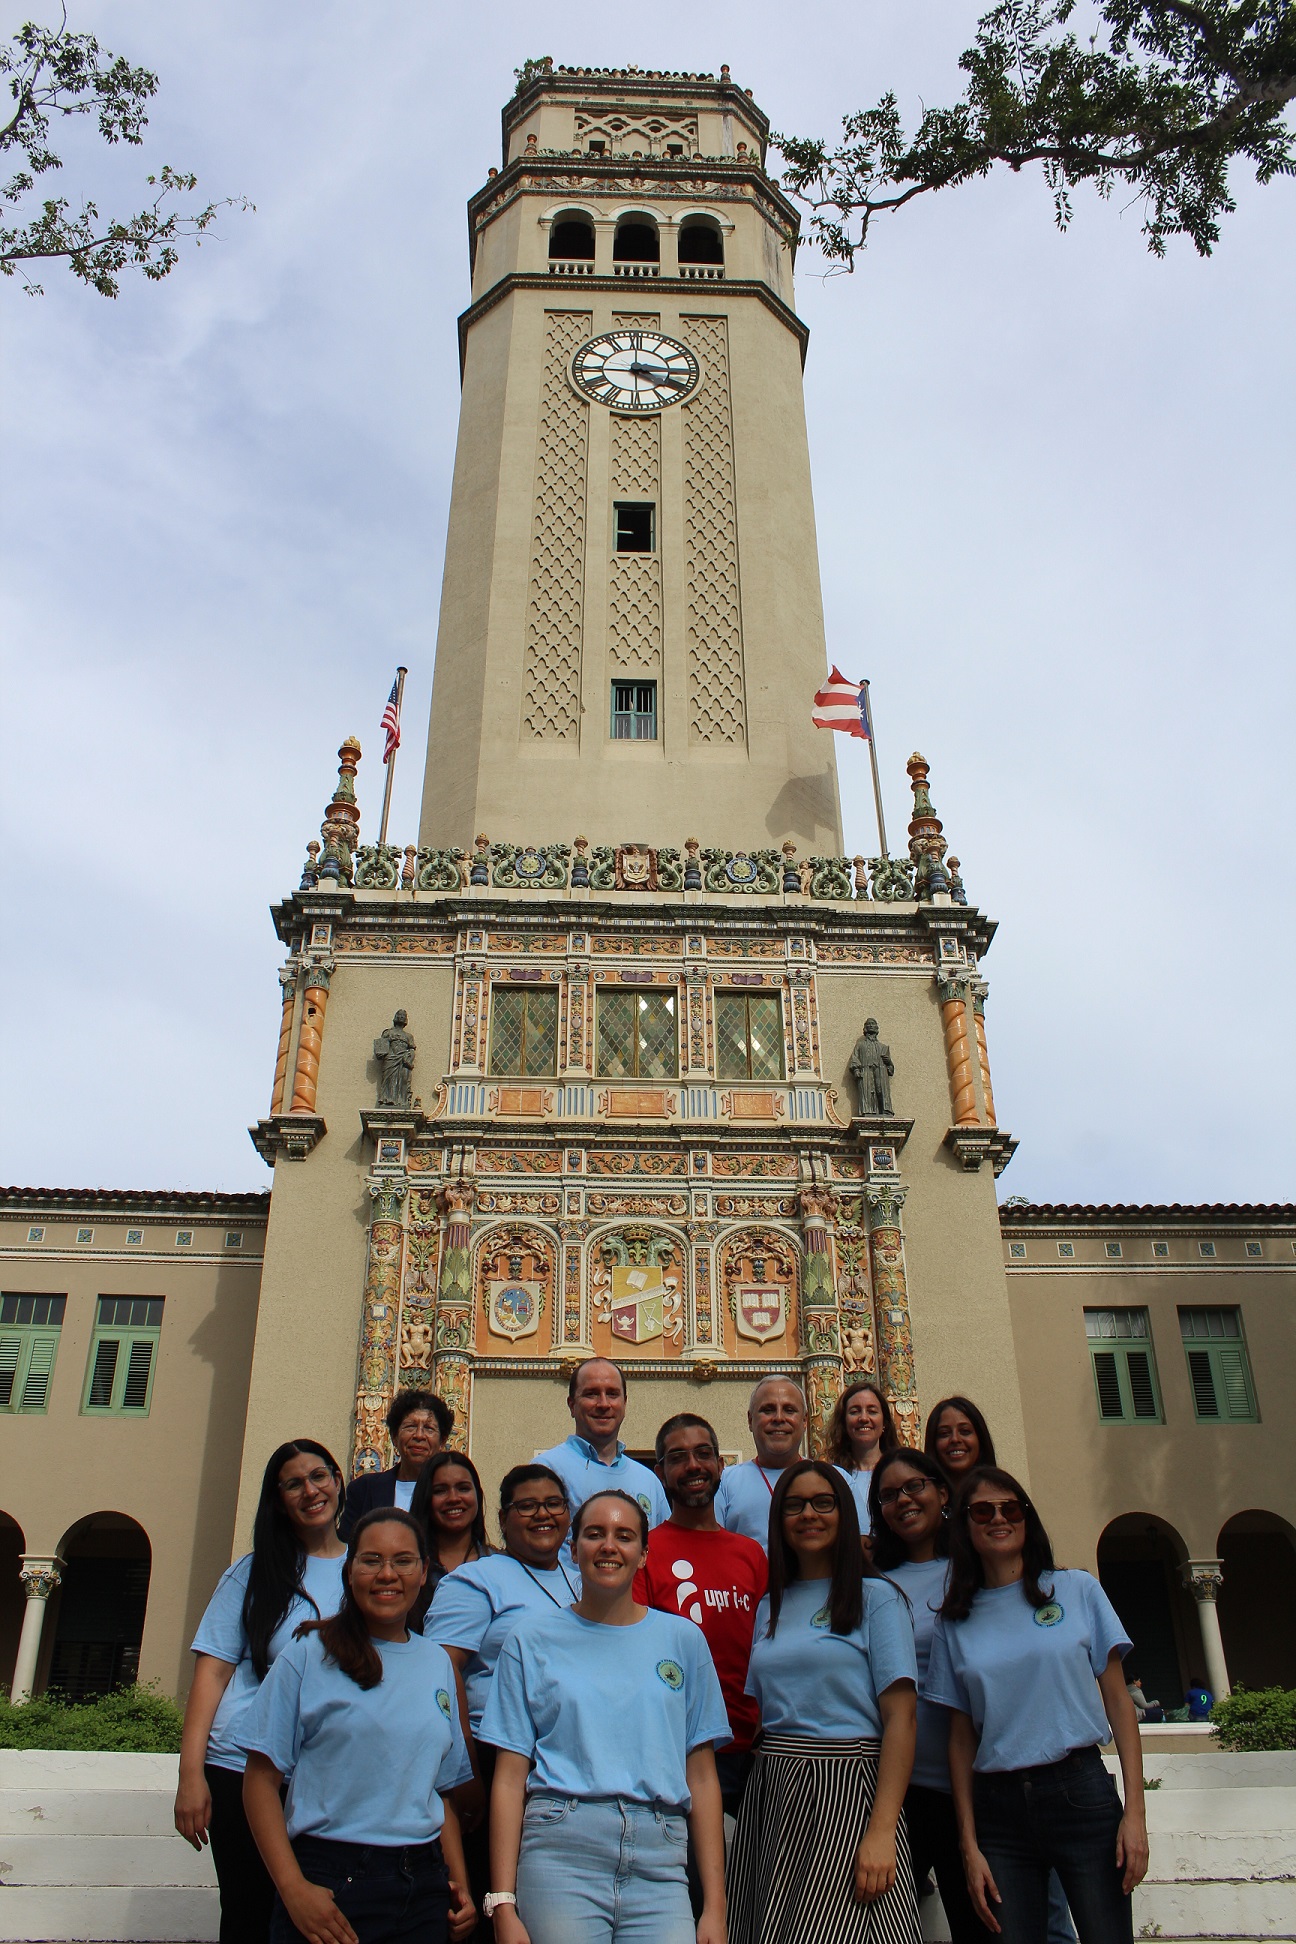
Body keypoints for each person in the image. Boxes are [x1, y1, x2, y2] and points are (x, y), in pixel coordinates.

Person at [480, 1488, 730, 1944]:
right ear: (572, 1550)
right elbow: (509, 1778)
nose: (609, 1546)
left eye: (624, 1535)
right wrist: (502, 1901)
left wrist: (714, 1906)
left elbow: (703, 1776)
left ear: (644, 1552)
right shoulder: (530, 1640)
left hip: (661, 1862)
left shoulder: (683, 1641)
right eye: (594, 1534)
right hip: (561, 1854)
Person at [925, 1467, 1149, 1944]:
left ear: (1028, 1518)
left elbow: (1118, 1702)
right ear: (965, 1526)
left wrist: (1136, 1815)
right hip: (999, 1808)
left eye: (1011, 1508)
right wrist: (968, 1843)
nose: (998, 1519)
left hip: (1080, 1790)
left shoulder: (1077, 1590)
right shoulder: (955, 1622)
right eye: (983, 1511)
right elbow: (961, 1739)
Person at [242, 1508, 476, 1944]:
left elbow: (439, 1792)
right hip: (331, 1884)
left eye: (403, 1561)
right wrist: (293, 1890)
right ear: (350, 1572)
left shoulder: (437, 1663)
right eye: (371, 1560)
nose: (387, 1574)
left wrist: (458, 1883)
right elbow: (259, 1781)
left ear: (424, 1572)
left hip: (423, 1888)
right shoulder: (309, 1654)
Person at [729, 1460, 921, 1944]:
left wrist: (882, 1831)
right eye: (793, 1506)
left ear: (844, 1513)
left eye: (822, 1503)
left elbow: (902, 1718)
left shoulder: (877, 1597)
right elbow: (767, 1712)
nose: (808, 1515)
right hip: (774, 1791)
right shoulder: (769, 1604)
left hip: (849, 1786)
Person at [174, 1440, 348, 1944]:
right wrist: (190, 1776)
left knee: (321, 1918)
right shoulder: (252, 1572)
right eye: (293, 1484)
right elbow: (212, 1673)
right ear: (277, 1500)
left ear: (339, 1480)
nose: (310, 1491)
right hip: (239, 1764)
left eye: (319, 1476)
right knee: (250, 1915)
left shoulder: (367, 1565)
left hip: (328, 1770)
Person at [425, 1465, 578, 1940]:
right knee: (493, 1907)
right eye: (527, 1506)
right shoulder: (478, 1579)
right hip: (490, 1758)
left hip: (564, 1762)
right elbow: (439, 1671)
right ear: (503, 1517)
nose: (542, 1515)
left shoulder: (582, 1577)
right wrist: (464, 1767)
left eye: (553, 1503)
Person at [636, 1413, 768, 1912]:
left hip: (752, 1750)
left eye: (703, 1454)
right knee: (693, 1901)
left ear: (718, 1464)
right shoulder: (646, 1551)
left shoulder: (751, 1554)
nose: (693, 1465)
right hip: (679, 1753)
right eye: (677, 1457)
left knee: (754, 1900)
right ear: (662, 1472)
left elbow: (769, 1647)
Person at [868, 1447, 983, 1944]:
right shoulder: (872, 1585)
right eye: (888, 1495)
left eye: (914, 1486)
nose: (903, 1500)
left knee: (984, 1924)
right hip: (901, 1790)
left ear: (941, 1492)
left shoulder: (979, 1571)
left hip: (978, 1787)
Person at [534, 1357, 669, 1534]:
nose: (604, 1404)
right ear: (572, 1405)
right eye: (591, 1394)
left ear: (624, 1403)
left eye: (612, 1394)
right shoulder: (547, 1469)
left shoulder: (648, 1481)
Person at [340, 1390, 452, 1536]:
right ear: (394, 1437)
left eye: (429, 1428)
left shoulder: (452, 1493)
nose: (419, 1435)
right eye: (410, 1426)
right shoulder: (364, 1489)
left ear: (442, 1441)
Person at [714, 1375, 807, 1548]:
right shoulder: (723, 1483)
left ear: (804, 1420)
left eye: (789, 1410)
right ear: (750, 1420)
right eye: (768, 1410)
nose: (779, 1418)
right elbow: (715, 1548)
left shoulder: (836, 1479)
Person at [407, 1448, 495, 1624]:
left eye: (463, 1488)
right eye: (440, 1490)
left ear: (477, 1494)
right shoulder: (407, 1567)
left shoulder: (498, 1563)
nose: (454, 1498)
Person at [827, 1379, 900, 1525]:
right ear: (844, 1423)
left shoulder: (899, 1471)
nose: (864, 1418)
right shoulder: (834, 1477)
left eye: (872, 1411)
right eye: (855, 1412)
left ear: (884, 1422)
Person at [924, 1396, 996, 1487]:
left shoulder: (1002, 1495)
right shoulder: (923, 1499)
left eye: (965, 1431)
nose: (955, 1439)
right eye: (944, 1433)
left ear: (980, 1438)